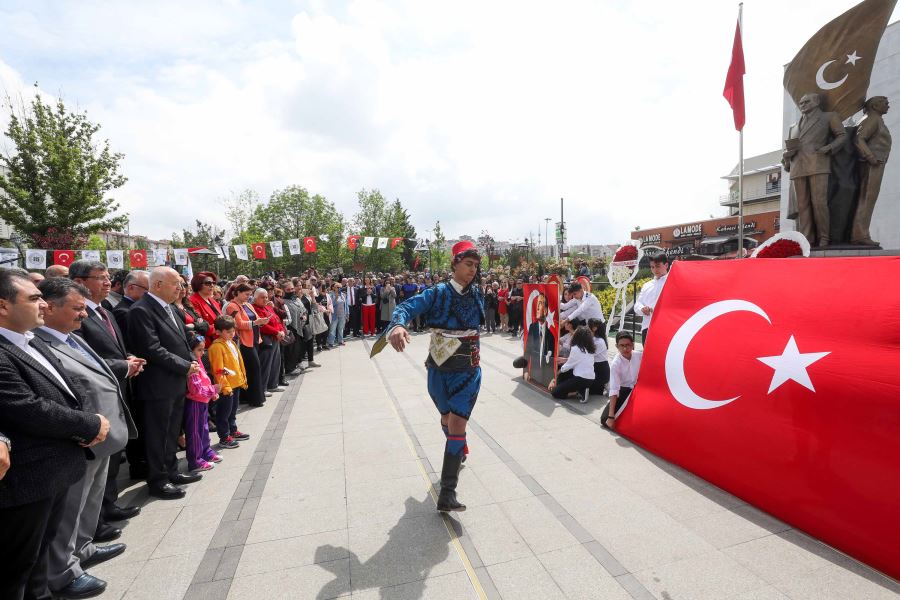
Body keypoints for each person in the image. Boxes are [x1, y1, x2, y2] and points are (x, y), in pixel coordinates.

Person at [0, 268, 109, 600]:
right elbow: (26, 407)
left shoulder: (31, 338)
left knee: (39, 564)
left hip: (57, 469)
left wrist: (85, 421)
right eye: (34, 298)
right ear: (3, 306)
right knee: (16, 571)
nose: (43, 305)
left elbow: (65, 387)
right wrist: (88, 425)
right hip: (27, 480)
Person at [34, 278, 135, 599]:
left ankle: (83, 547)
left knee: (90, 500)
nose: (84, 315)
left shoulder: (70, 337)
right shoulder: (39, 343)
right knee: (71, 508)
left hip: (101, 432)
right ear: (49, 308)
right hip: (81, 437)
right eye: (77, 308)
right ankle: (63, 571)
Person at [386, 240, 484, 512]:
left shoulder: (478, 293)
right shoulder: (437, 292)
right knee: (445, 418)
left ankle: (447, 493)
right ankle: (458, 447)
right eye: (468, 265)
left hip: (468, 370)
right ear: (454, 264)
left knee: (457, 424)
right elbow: (405, 308)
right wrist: (397, 326)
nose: (473, 270)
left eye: (476, 266)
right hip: (438, 370)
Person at [67, 260, 145, 530]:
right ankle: (94, 521)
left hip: (117, 389)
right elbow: (82, 358)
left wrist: (128, 359)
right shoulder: (76, 317)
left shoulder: (105, 312)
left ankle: (109, 504)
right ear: (79, 282)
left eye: (108, 276)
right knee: (99, 457)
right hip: (95, 396)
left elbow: (113, 351)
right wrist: (124, 366)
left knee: (112, 454)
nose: (107, 282)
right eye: (99, 277)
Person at [127, 267, 203, 500]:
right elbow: (151, 349)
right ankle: (158, 480)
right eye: (175, 284)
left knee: (171, 431)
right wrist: (184, 365)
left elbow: (182, 340)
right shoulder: (141, 311)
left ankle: (171, 470)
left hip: (175, 381)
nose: (180, 289)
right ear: (157, 285)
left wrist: (191, 361)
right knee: (158, 434)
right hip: (157, 385)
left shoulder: (171, 309)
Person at [782, 92, 847, 247]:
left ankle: (824, 236)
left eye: (806, 102)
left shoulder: (829, 117)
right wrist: (786, 155)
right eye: (801, 102)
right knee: (802, 205)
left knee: (819, 203)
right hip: (798, 166)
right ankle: (807, 238)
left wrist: (829, 148)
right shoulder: (793, 126)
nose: (802, 105)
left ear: (817, 102)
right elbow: (787, 149)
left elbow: (842, 136)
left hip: (818, 163)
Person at [852, 96, 892, 246]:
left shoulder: (873, 118)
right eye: (885, 103)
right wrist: (870, 157)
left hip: (874, 162)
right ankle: (859, 235)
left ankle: (861, 233)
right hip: (872, 163)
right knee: (867, 198)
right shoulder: (871, 119)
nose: (888, 105)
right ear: (875, 106)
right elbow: (859, 139)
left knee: (866, 198)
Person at [208, 315, 248, 450]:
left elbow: (238, 362)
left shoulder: (231, 342)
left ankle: (232, 430)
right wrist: (225, 387)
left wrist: (242, 378)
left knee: (232, 411)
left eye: (233, 331)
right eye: (228, 332)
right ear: (218, 332)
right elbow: (218, 370)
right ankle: (224, 437)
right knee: (223, 413)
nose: (232, 334)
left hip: (235, 383)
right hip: (226, 387)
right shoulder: (216, 347)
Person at [224, 283, 267, 407]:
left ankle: (248, 397)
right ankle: (255, 399)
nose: (248, 297)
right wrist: (256, 322)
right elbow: (239, 324)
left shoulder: (247, 304)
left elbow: (256, 319)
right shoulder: (232, 306)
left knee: (251, 369)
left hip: (253, 339)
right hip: (244, 341)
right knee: (254, 368)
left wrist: (263, 321)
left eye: (250, 294)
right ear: (237, 293)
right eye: (246, 294)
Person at [184, 335, 221, 472]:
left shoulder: (198, 360)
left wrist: (212, 392)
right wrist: (212, 390)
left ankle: (206, 451)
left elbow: (205, 380)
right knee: (195, 432)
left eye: (203, 349)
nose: (202, 353)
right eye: (199, 350)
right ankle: (195, 461)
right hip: (194, 402)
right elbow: (195, 388)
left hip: (203, 401)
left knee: (204, 428)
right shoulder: (192, 364)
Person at [603, 331, 643, 429]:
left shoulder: (640, 356)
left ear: (633, 345)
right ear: (617, 346)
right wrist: (611, 416)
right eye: (622, 345)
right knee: (605, 420)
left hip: (639, 389)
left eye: (628, 345)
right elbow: (614, 389)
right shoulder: (615, 364)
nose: (625, 348)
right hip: (624, 390)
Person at [548, 325, 595, 402]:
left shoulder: (576, 348)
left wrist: (555, 375)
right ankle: (579, 390)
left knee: (555, 392)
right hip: (590, 379)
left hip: (580, 379)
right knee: (563, 375)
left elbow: (568, 366)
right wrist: (565, 360)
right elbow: (577, 361)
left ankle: (575, 392)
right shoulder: (590, 349)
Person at [254, 288, 286, 392]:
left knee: (276, 363)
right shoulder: (255, 308)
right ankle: (263, 388)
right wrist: (276, 332)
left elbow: (277, 320)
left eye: (266, 297)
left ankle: (273, 385)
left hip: (276, 338)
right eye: (262, 297)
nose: (265, 299)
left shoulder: (268, 308)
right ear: (255, 298)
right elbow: (263, 326)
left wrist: (281, 331)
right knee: (266, 364)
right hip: (266, 339)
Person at [634, 254, 669, 343]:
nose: (654, 270)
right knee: (648, 356)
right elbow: (637, 304)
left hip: (667, 328)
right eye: (652, 267)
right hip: (647, 327)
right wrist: (642, 308)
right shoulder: (647, 285)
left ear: (666, 265)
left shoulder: (672, 282)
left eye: (657, 266)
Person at [524, 292, 556, 386]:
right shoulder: (532, 327)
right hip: (533, 376)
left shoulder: (551, 332)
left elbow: (552, 357)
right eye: (537, 304)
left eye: (540, 304)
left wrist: (553, 379)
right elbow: (528, 350)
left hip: (546, 379)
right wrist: (525, 371)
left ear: (546, 311)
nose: (537, 307)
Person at [188, 272, 222, 348]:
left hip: (219, 341)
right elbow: (201, 326)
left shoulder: (212, 300)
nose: (212, 285)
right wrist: (222, 327)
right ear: (198, 284)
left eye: (213, 283)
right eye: (208, 283)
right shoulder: (193, 301)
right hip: (206, 345)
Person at [587, 318, 610, 396]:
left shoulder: (599, 341)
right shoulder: (591, 338)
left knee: (588, 391)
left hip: (600, 371)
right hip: (594, 368)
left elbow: (588, 355)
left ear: (594, 328)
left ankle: (605, 385)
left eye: (588, 326)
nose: (586, 327)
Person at [327, 283, 347, 348]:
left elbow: (346, 305)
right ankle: (331, 342)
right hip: (334, 315)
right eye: (337, 287)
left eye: (340, 287)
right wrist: (335, 298)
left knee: (341, 328)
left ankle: (340, 341)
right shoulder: (331, 295)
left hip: (342, 314)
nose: (339, 289)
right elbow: (330, 305)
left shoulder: (343, 295)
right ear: (334, 288)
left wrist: (347, 314)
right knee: (332, 329)